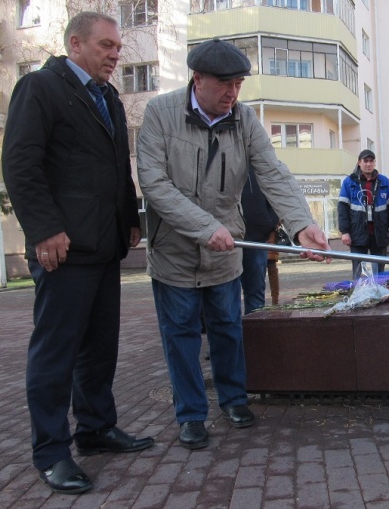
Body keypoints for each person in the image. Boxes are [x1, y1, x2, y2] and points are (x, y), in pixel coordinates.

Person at [137, 38, 329, 451]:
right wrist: (204, 227)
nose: (233, 93)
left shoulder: (243, 119)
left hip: (228, 248)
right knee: (182, 335)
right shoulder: (160, 113)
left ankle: (234, 400)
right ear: (198, 78)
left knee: (228, 328)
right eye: (225, 84)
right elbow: (153, 184)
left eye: (238, 84)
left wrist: (301, 225)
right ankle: (190, 415)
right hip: (175, 251)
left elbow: (273, 173)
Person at [2, 11, 153, 495]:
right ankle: (51, 452)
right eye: (107, 45)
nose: (115, 55)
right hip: (62, 250)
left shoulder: (107, 97)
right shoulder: (41, 88)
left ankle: (95, 428)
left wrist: (130, 218)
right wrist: (44, 230)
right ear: (76, 44)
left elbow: (115, 166)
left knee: (99, 348)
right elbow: (20, 165)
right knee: (56, 353)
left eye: (118, 47)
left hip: (103, 245)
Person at [338, 149, 389, 279]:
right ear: (359, 162)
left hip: (379, 233)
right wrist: (344, 231)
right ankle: (359, 294)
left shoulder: (384, 182)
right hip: (357, 233)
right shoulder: (349, 182)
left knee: (379, 271)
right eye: (365, 161)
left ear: (375, 163)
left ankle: (380, 294)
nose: (368, 164)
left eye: (371, 161)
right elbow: (342, 209)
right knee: (358, 271)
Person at [240, 166, 280, 314]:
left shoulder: (259, 165)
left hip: (256, 239)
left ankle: (255, 333)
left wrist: (269, 222)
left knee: (255, 293)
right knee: (226, 296)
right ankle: (233, 336)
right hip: (226, 240)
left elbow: (276, 195)